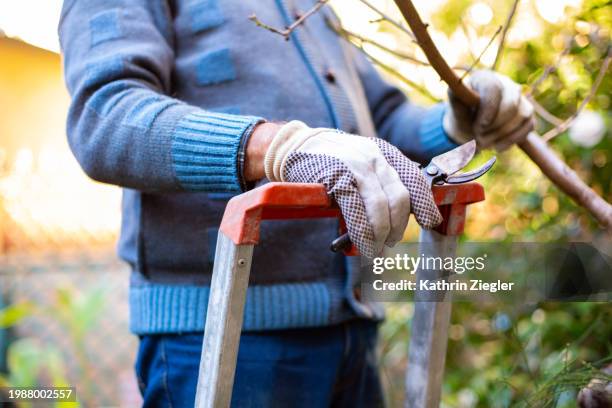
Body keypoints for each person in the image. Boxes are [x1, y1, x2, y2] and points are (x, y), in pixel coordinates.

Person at [58, 0, 534, 406]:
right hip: (223, 341)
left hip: (354, 330)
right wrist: (278, 147)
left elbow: (380, 124)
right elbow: (106, 117)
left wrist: (456, 121)